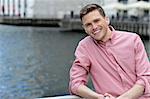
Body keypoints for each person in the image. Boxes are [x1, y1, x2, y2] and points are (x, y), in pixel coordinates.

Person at [69, 4, 150, 99]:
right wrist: (98, 97)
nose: (94, 27)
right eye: (88, 25)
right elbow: (75, 84)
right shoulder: (84, 47)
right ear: (85, 29)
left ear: (106, 20)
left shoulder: (133, 40)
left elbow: (145, 79)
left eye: (96, 20)